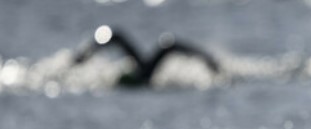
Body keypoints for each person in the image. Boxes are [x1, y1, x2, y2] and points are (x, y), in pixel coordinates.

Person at [73, 25, 220, 86]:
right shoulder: (140, 72)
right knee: (168, 45)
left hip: (144, 76)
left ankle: (207, 59)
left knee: (168, 45)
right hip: (143, 75)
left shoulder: (143, 74)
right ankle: (207, 58)